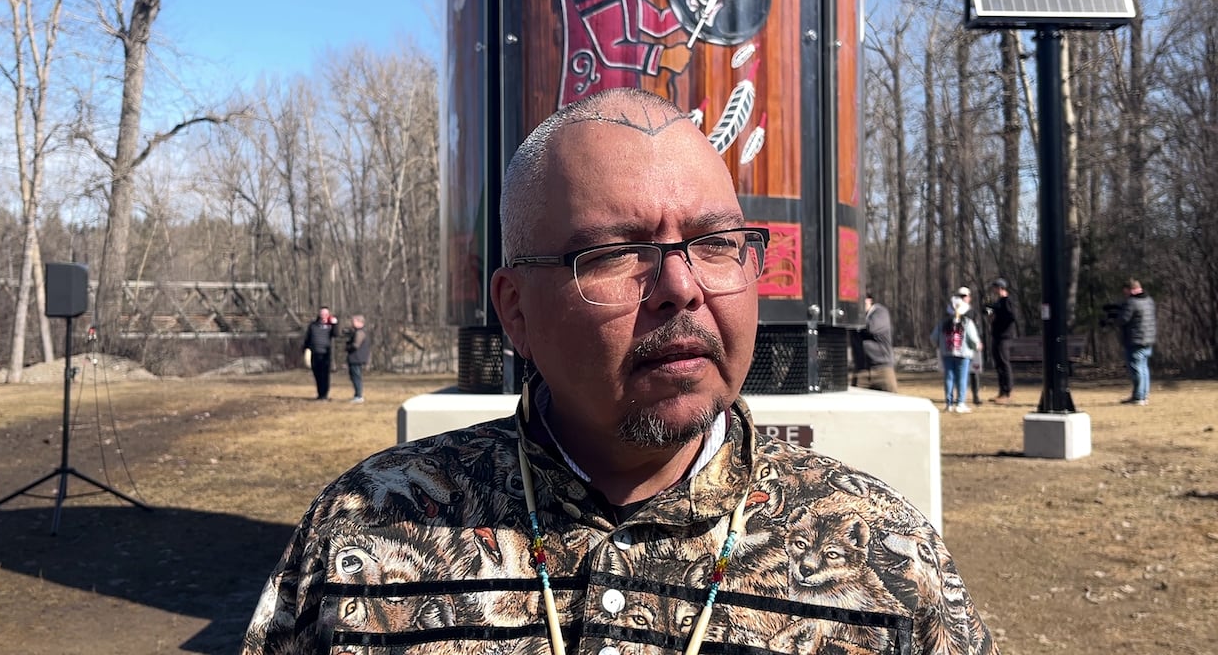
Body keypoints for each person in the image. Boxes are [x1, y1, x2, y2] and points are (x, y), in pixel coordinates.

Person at [242, 88, 998, 655]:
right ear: (516, 311)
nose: (681, 287)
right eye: (616, 253)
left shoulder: (882, 555)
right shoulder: (368, 536)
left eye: (715, 243)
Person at [932, 296, 983, 413]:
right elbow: (973, 339)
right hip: (963, 354)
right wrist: (977, 346)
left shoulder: (943, 323)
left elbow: (934, 337)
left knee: (949, 378)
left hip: (947, 353)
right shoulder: (967, 322)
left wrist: (939, 345)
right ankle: (960, 403)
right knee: (962, 378)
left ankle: (949, 404)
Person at [1116, 278, 1156, 405]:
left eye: (1125, 291)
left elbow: (1123, 319)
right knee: (1143, 368)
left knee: (1136, 368)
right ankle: (1143, 395)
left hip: (1135, 339)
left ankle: (1138, 397)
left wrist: (1115, 316)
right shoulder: (1149, 300)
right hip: (1148, 339)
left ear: (1129, 289)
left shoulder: (1132, 302)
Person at [851, 292, 898, 392]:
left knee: (891, 401)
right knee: (855, 401)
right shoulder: (854, 317)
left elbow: (871, 328)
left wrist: (852, 317)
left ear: (870, 300)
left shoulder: (880, 312)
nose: (858, 304)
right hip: (861, 371)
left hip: (882, 370)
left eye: (862, 300)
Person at [984, 278, 1018, 404]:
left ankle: (1008, 392)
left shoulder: (1007, 301)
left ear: (1000, 288)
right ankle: (1001, 392)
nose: (994, 290)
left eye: (995, 288)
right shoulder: (998, 302)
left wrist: (998, 318)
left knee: (1004, 364)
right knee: (998, 365)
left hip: (1004, 337)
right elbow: (990, 311)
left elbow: (1011, 316)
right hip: (997, 336)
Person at [302, 306, 338, 401]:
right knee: (317, 374)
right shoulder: (313, 325)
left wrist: (335, 324)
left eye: (326, 314)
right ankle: (320, 394)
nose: (323, 315)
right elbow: (308, 338)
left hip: (325, 354)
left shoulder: (330, 326)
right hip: (314, 353)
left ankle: (324, 394)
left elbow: (336, 334)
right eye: (322, 313)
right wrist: (305, 349)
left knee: (325, 375)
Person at [957, 286, 984, 405]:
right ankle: (960, 397)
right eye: (961, 296)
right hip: (958, 345)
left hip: (971, 345)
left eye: (965, 296)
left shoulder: (972, 312)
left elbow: (977, 327)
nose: (963, 298)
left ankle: (975, 396)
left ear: (969, 298)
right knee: (959, 372)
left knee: (974, 371)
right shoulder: (954, 311)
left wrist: (978, 341)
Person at [344, 313, 372, 404]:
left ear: (360, 322)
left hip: (356, 358)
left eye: (354, 321)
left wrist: (347, 347)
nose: (352, 323)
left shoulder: (359, 333)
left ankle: (358, 396)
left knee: (356, 377)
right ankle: (357, 395)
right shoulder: (357, 332)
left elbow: (356, 345)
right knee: (355, 377)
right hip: (356, 357)